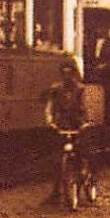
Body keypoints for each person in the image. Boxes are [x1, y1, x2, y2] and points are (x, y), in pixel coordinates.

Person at [43, 61, 89, 204]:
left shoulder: (80, 89)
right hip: (61, 123)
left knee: (81, 150)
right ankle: (56, 190)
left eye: (70, 73)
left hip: (77, 123)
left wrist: (85, 122)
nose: (67, 76)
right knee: (57, 157)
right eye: (64, 73)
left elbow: (85, 106)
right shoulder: (56, 89)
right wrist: (50, 120)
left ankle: (84, 172)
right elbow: (50, 106)